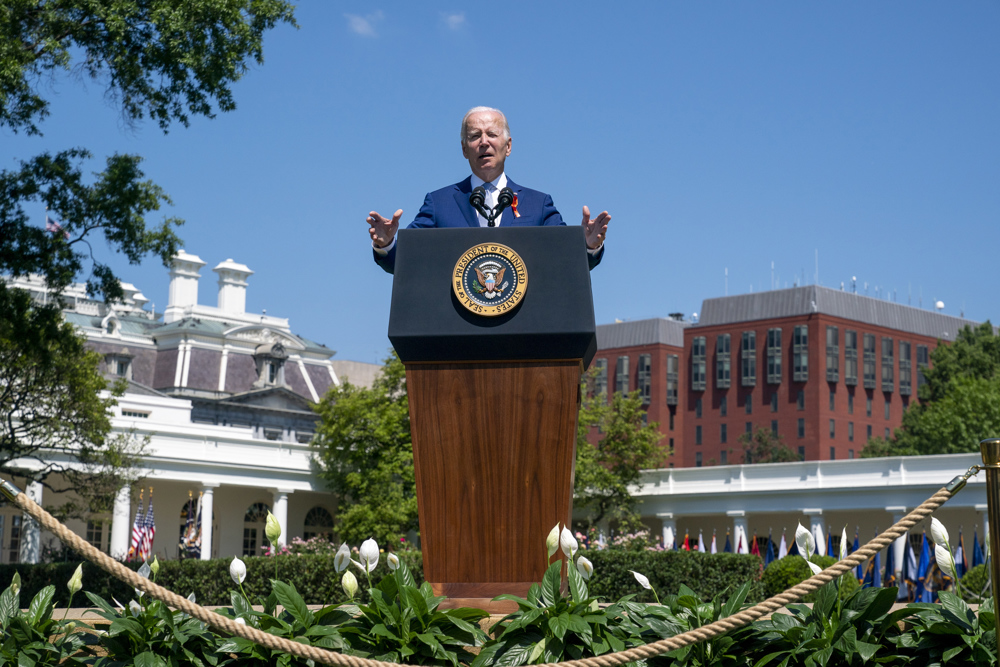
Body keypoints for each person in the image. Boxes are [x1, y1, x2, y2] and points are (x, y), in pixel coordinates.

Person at [368, 106, 610, 274]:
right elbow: (405, 262)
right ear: (465, 149)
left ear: (508, 146)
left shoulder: (538, 204)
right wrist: (387, 244)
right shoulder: (438, 203)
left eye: (492, 134)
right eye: (475, 136)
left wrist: (588, 247)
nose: (484, 142)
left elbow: (566, 261)